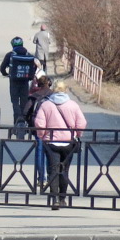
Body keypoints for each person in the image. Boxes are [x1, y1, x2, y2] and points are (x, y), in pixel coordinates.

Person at [33, 80, 87, 210]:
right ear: (65, 90)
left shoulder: (46, 105)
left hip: (51, 142)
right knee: (64, 170)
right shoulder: (73, 105)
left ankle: (54, 199)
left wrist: (42, 136)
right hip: (68, 142)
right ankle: (63, 199)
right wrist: (77, 135)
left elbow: (39, 124)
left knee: (53, 169)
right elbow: (82, 123)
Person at [0, 37, 40, 125]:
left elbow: (2, 68)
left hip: (14, 81)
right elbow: (36, 64)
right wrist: (32, 74)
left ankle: (17, 120)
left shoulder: (10, 55)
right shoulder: (28, 54)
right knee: (24, 101)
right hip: (25, 81)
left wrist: (5, 74)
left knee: (14, 101)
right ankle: (24, 120)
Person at [23, 75, 54, 188]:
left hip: (38, 129)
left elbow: (26, 112)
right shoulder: (54, 96)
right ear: (50, 83)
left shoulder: (34, 96)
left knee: (40, 152)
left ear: (38, 85)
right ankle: (53, 178)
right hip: (53, 129)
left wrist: (31, 123)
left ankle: (42, 178)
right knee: (52, 153)